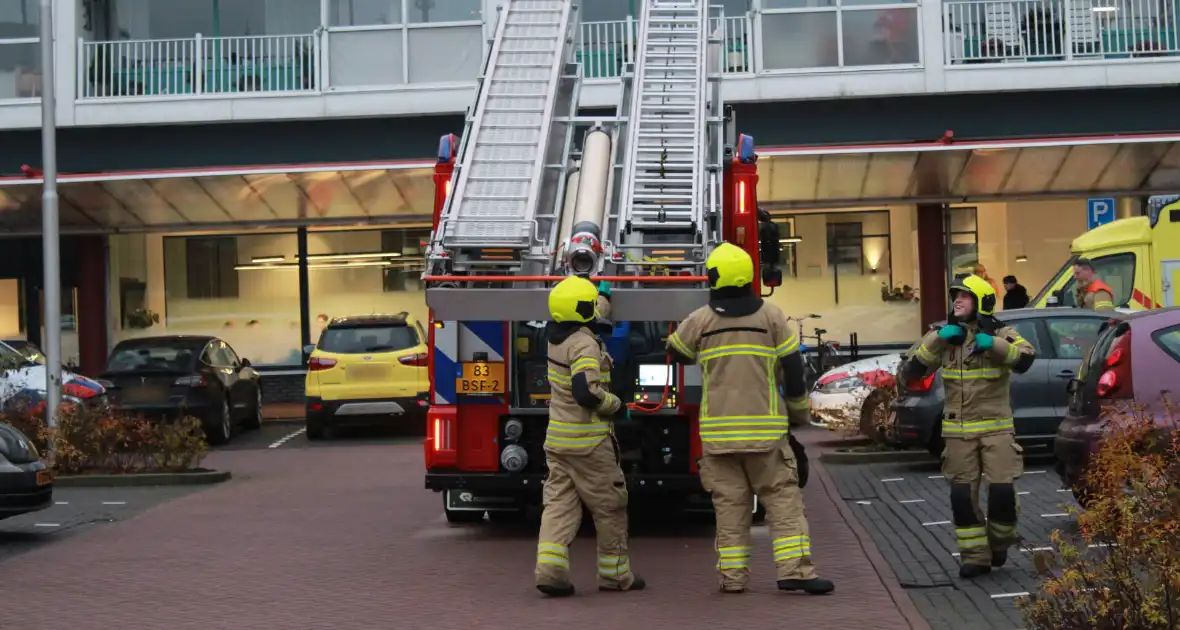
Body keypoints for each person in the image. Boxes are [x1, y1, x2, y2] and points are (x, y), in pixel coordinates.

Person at [665, 242, 833, 596]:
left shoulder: (702, 320)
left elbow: (675, 351)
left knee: (730, 509)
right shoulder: (771, 316)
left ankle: (733, 578)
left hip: (719, 439)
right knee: (783, 502)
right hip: (766, 436)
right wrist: (799, 412)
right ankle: (795, 573)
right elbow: (792, 366)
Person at [899, 275, 1036, 579]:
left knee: (1001, 494)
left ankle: (999, 543)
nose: (956, 301)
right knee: (961, 498)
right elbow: (909, 371)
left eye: (965, 296)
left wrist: (994, 345)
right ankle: (975, 556)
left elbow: (1026, 358)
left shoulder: (1002, 332)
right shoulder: (944, 336)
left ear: (982, 302)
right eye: (955, 296)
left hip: (997, 430)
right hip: (957, 433)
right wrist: (937, 339)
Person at [534, 276, 644, 597]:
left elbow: (587, 316)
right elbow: (585, 392)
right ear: (581, 310)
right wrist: (615, 405)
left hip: (558, 443)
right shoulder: (584, 344)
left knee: (558, 506)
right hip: (590, 444)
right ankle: (615, 576)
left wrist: (603, 298)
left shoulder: (556, 336)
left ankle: (550, 573)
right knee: (610, 507)